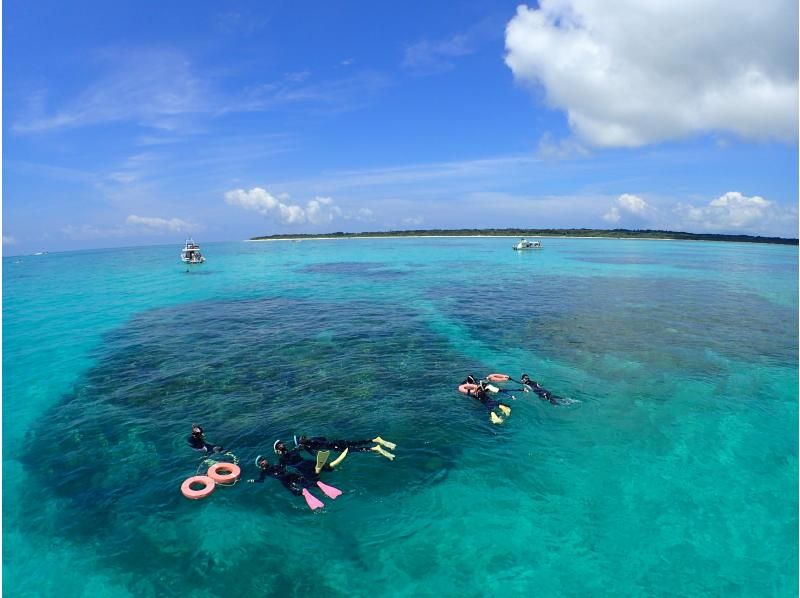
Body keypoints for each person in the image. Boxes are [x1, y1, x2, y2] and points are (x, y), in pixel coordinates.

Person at [247, 455, 341, 510]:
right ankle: (314, 487)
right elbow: (261, 480)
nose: (263, 461)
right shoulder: (267, 470)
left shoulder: (269, 469)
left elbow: (261, 480)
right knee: (306, 483)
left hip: (287, 478)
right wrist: (252, 480)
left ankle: (307, 491)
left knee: (297, 490)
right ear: (259, 465)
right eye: (261, 461)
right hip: (289, 477)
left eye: (263, 459)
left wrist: (253, 481)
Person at [295, 435, 396, 462]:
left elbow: (315, 454)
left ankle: (376, 448)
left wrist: (303, 449)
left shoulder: (308, 446)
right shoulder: (312, 439)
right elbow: (323, 438)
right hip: (337, 441)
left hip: (335, 447)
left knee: (356, 449)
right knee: (356, 443)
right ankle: (376, 440)